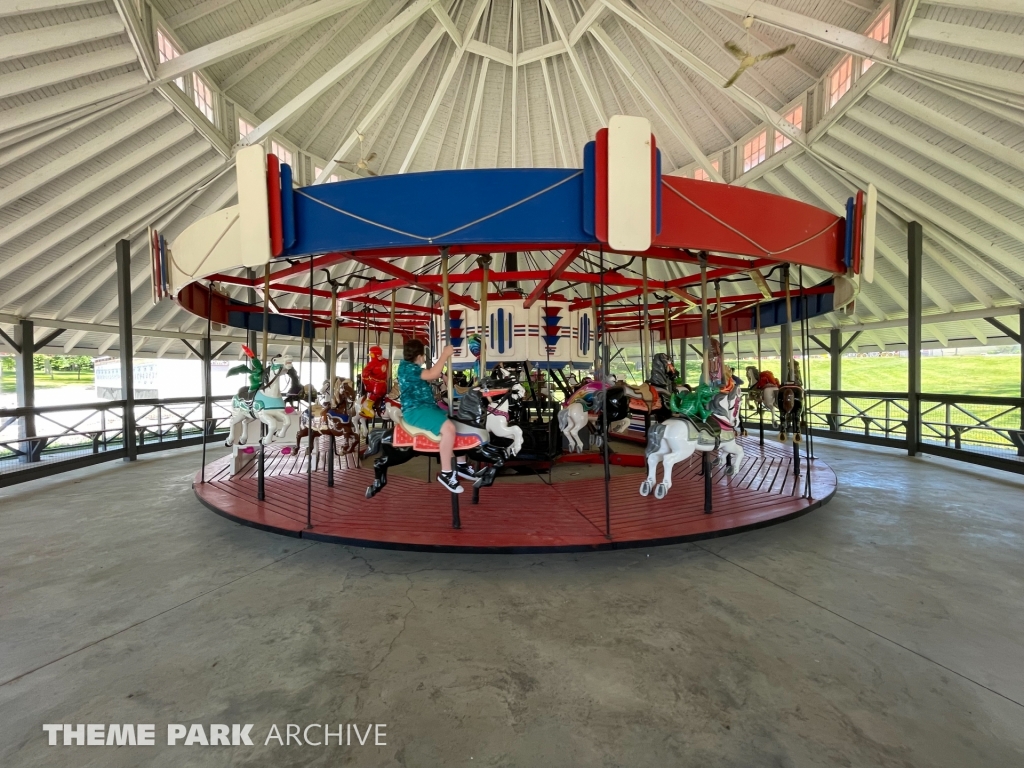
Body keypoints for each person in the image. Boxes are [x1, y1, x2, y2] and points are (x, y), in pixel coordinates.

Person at [396, 338, 479, 494]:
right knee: (448, 428)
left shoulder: (412, 369)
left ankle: (461, 464)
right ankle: (446, 473)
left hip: (427, 407)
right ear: (419, 356)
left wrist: (441, 375)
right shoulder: (407, 368)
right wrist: (444, 354)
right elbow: (431, 373)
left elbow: (431, 375)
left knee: (459, 424)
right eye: (423, 357)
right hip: (415, 410)